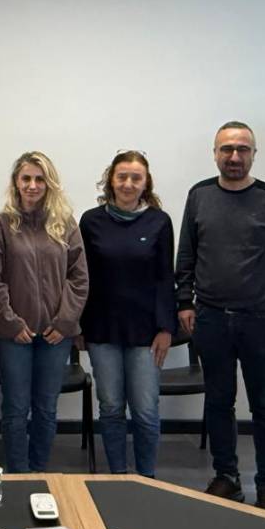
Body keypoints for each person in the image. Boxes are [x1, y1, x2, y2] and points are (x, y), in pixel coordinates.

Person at [176, 121, 265, 513]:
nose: (234, 156)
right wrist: (184, 301)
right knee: (218, 400)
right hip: (211, 318)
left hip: (261, 319)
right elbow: (186, 254)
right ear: (215, 153)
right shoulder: (199, 195)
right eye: (226, 149)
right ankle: (227, 476)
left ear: (253, 154)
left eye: (242, 149)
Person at [0, 151, 89, 474]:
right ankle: (18, 475)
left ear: (49, 183)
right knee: (16, 408)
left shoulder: (65, 225)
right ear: (16, 182)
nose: (32, 185)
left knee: (45, 408)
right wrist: (11, 323)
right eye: (26, 178)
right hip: (13, 336)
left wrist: (65, 322)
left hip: (56, 336)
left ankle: (39, 472)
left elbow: (79, 278)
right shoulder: (0, 225)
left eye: (39, 179)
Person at [78, 150, 175, 478]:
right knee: (111, 408)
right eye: (122, 177)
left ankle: (146, 479)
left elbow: (165, 278)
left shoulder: (159, 221)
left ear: (146, 183)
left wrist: (166, 328)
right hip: (102, 329)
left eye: (136, 177)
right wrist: (78, 326)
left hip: (147, 332)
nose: (128, 184)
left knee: (145, 410)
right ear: (111, 180)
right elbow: (81, 278)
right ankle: (118, 476)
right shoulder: (91, 221)